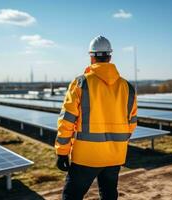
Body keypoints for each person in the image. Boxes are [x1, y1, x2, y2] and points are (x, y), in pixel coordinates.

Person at [55, 35, 137, 200]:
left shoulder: (81, 83)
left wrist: (62, 152)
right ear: (110, 57)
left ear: (91, 56)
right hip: (115, 156)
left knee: (71, 196)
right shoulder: (127, 87)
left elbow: (67, 120)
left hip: (86, 157)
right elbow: (132, 123)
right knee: (108, 194)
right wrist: (116, 146)